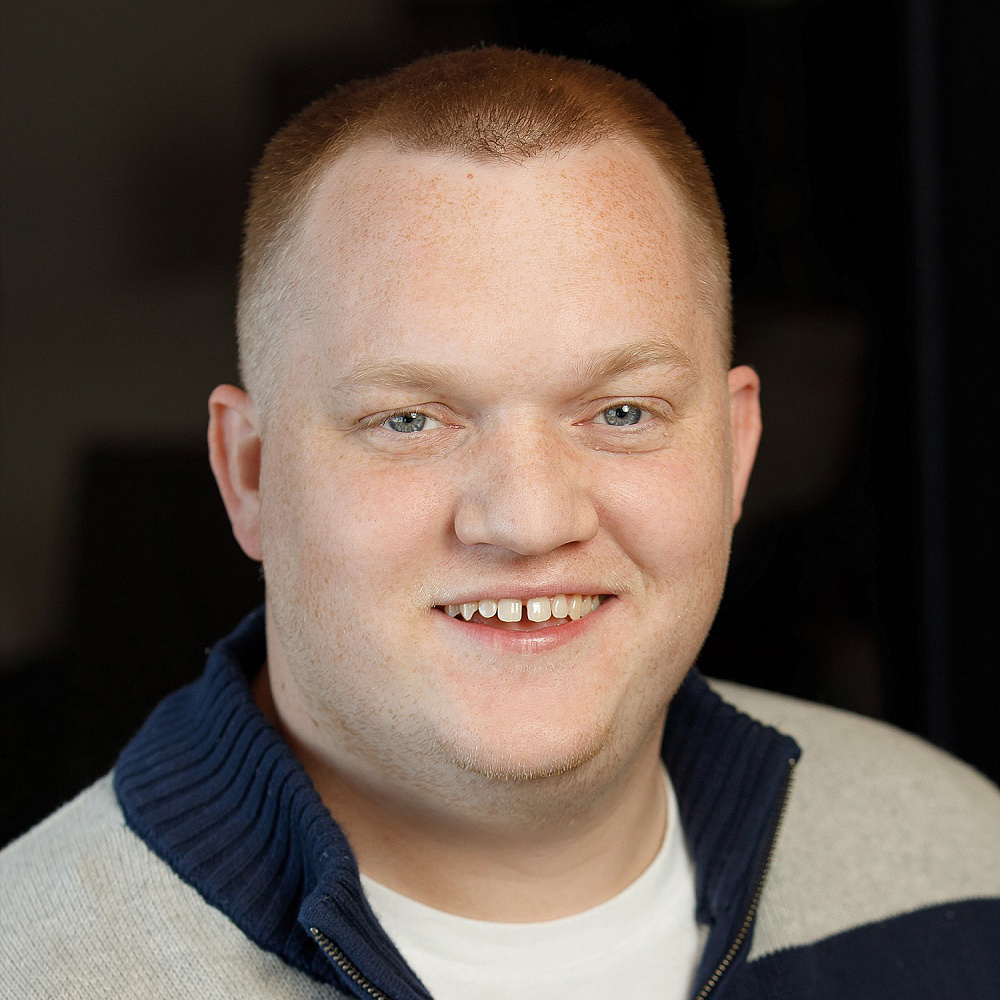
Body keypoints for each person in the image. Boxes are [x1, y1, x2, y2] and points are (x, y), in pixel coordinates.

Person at [2, 47, 998, 1000]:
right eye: (408, 420)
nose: (528, 520)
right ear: (250, 474)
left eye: (622, 412)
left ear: (734, 452)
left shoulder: (962, 861)